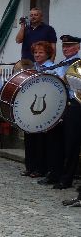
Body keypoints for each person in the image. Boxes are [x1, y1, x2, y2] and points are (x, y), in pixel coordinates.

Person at [38, 36, 80, 189]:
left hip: (74, 105)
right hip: (59, 104)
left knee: (71, 143)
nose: (65, 49)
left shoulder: (78, 63)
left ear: (77, 48)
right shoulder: (61, 64)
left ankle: (67, 179)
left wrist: (66, 80)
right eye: (64, 46)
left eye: (69, 46)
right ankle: (54, 173)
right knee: (55, 141)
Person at [20, 41, 54, 179]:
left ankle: (40, 168)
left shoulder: (52, 68)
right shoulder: (33, 67)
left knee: (40, 140)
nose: (37, 55)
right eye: (35, 52)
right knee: (29, 138)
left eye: (41, 52)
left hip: (45, 107)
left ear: (47, 54)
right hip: (32, 106)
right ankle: (30, 166)